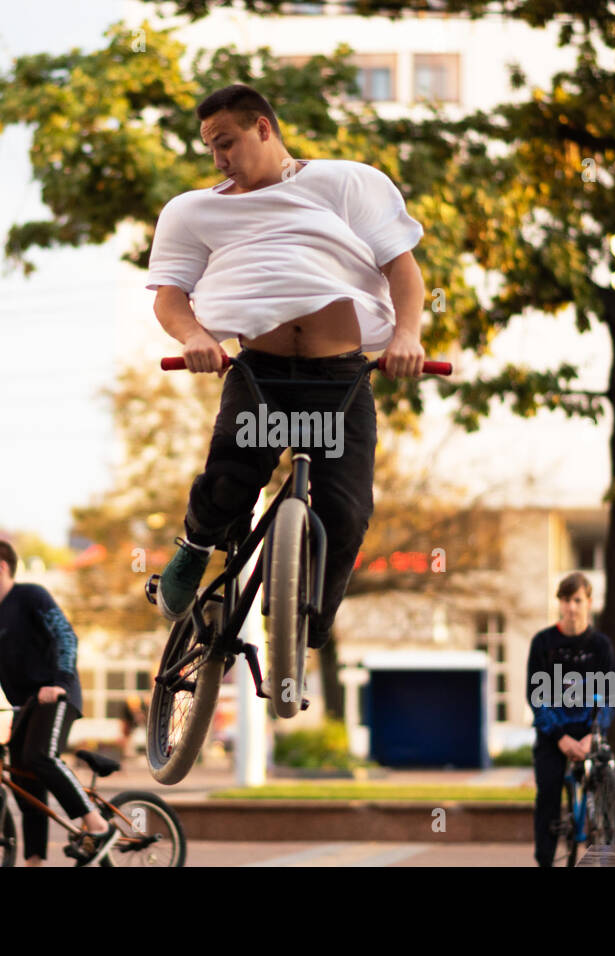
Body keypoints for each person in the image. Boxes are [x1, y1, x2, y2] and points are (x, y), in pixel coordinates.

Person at [145, 83, 427, 653]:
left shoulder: (347, 183)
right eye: (210, 149)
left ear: (264, 129)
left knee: (346, 514)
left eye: (226, 142)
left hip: (340, 380)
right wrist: (196, 335)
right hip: (261, 376)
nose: (219, 158)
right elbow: (168, 295)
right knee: (229, 483)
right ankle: (196, 547)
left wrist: (407, 335)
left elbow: (402, 268)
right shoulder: (194, 210)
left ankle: (305, 624)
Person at [0, 538, 118, 866]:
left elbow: (66, 636)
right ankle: (34, 861)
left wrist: (58, 683)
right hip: (26, 705)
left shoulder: (31, 596)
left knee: (40, 756)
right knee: (25, 783)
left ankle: (98, 826)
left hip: (57, 696)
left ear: (2, 567)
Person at [527, 572, 615, 867]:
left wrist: (595, 733)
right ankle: (545, 860)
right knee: (549, 791)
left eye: (577, 600)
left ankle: (608, 839)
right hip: (555, 735)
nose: (572, 607)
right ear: (559, 603)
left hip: (589, 732)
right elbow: (536, 698)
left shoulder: (601, 646)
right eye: (566, 600)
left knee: (608, 776)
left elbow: (610, 695)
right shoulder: (543, 643)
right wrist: (560, 738)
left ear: (589, 602)